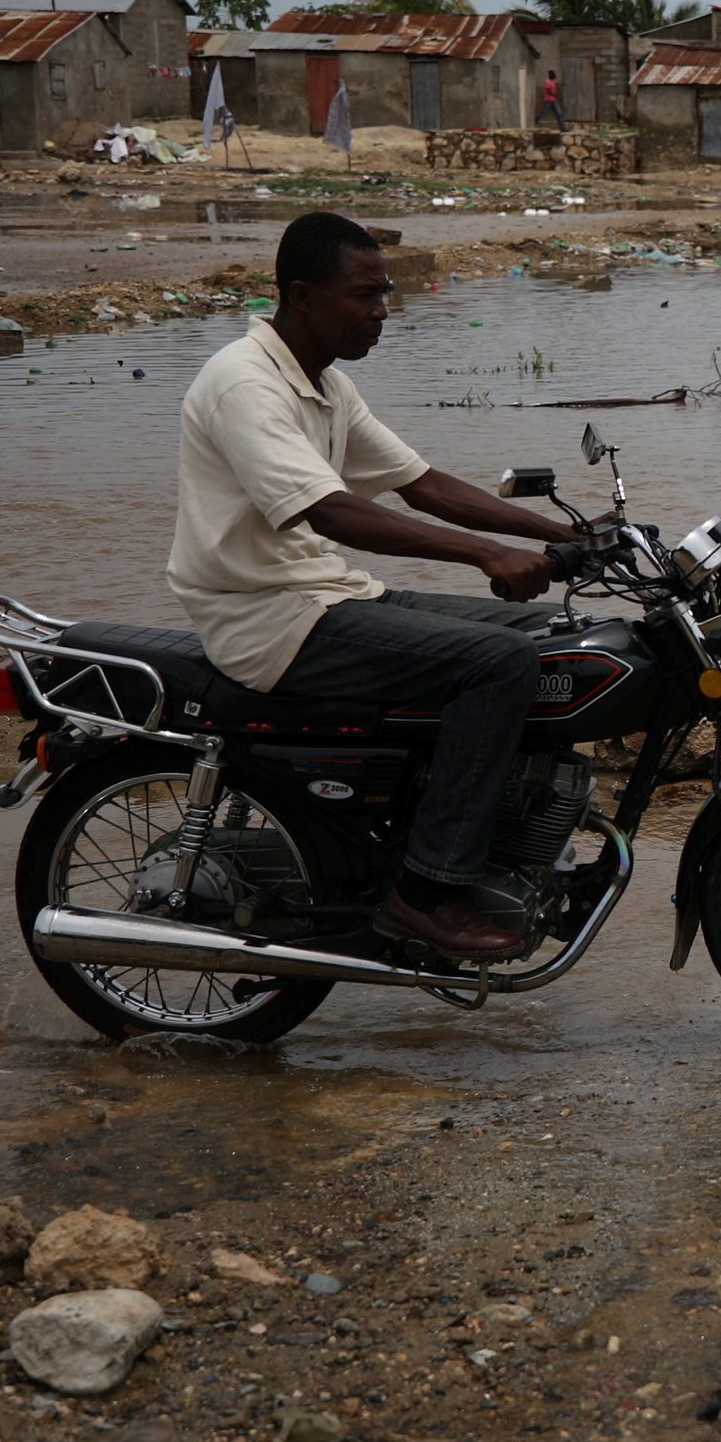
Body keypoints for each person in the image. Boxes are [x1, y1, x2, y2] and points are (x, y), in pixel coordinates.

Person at [168, 211, 580, 961]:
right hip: (267, 620)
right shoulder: (243, 384)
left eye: (384, 292)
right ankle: (424, 893)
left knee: (547, 639)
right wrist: (486, 555)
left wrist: (566, 536)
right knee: (497, 663)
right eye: (364, 295)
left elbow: (418, 483)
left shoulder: (325, 384)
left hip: (327, 595)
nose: (382, 310)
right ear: (302, 296)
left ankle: (467, 841)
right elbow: (330, 509)